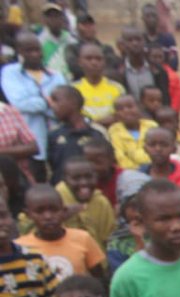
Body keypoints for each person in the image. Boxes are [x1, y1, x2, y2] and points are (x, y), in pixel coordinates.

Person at [2, 31, 67, 179]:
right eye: (29, 50)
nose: (35, 54)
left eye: (37, 49)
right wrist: (48, 102)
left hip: (58, 138)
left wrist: (38, 103)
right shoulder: (10, 73)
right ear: (19, 51)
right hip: (31, 142)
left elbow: (63, 107)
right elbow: (19, 103)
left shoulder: (56, 75)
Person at [16, 183, 106, 281]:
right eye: (40, 211)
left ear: (64, 210)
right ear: (29, 215)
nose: (48, 217)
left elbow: (100, 278)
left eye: (54, 210)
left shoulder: (83, 238)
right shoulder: (20, 247)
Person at [56, 155, 115, 245]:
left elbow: (108, 238)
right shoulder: (56, 201)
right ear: (65, 180)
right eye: (76, 178)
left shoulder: (101, 202)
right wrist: (60, 217)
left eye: (89, 177)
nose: (83, 182)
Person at [72, 43, 123, 127]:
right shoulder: (73, 90)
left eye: (98, 59)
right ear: (80, 62)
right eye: (88, 58)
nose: (94, 62)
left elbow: (120, 115)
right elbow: (75, 118)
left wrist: (94, 123)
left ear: (104, 62)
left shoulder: (117, 88)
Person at [109, 95, 156, 170]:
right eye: (120, 109)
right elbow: (119, 156)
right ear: (116, 114)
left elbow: (156, 150)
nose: (126, 111)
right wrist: (135, 169)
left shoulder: (151, 126)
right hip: (129, 171)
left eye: (130, 107)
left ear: (140, 108)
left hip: (154, 167)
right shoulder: (114, 131)